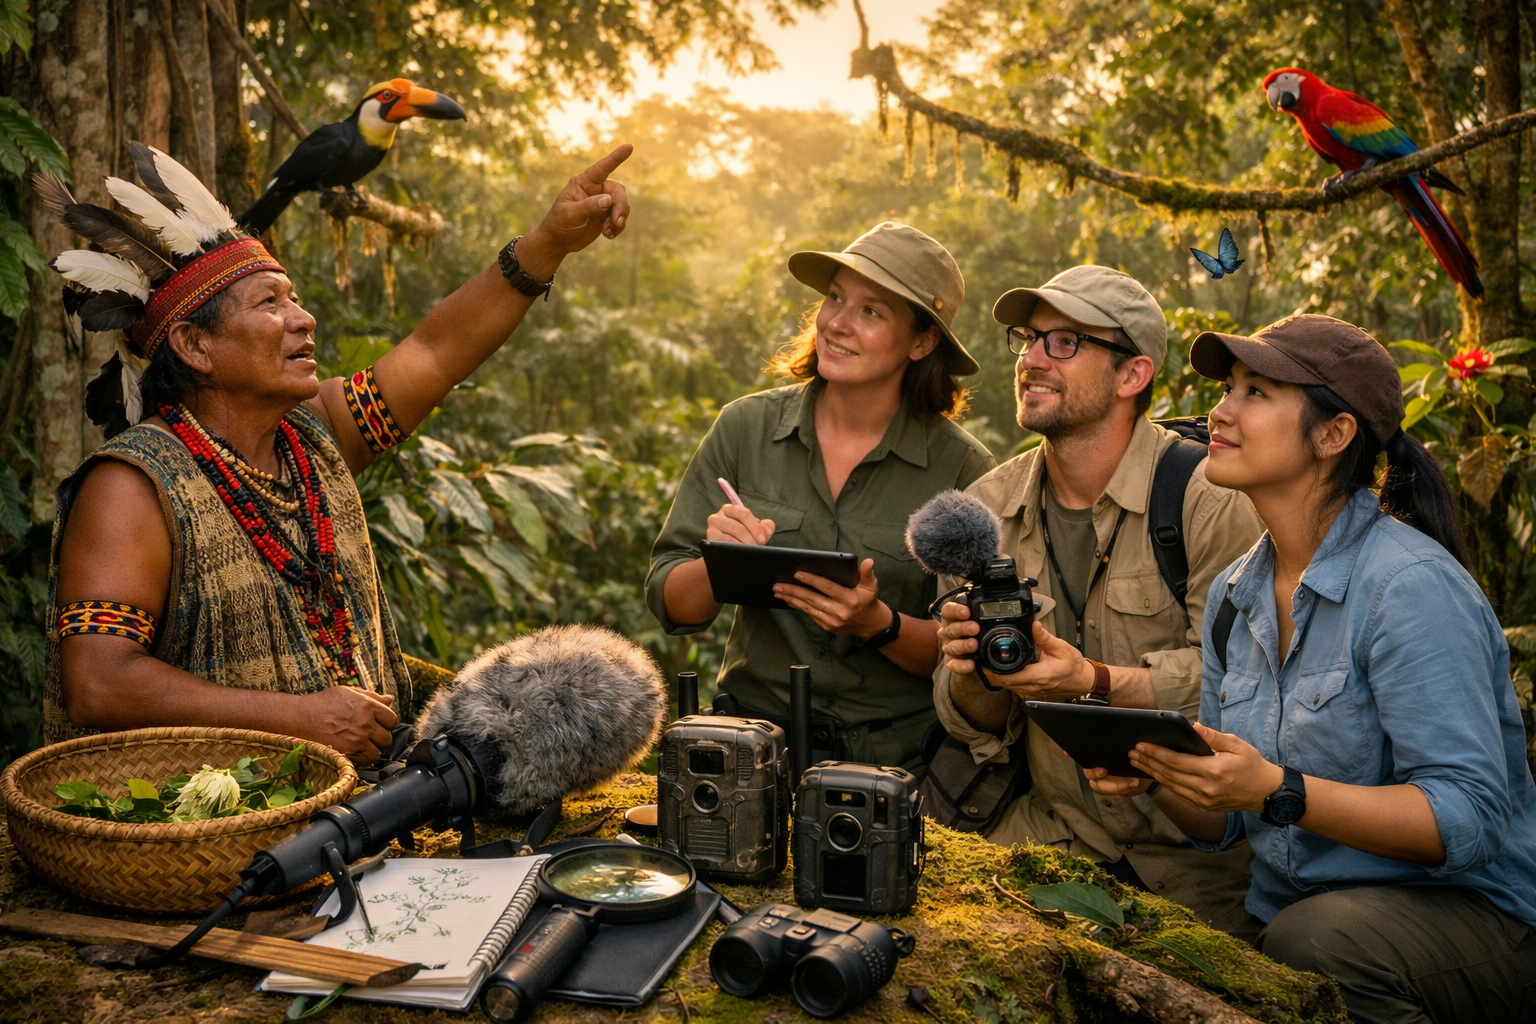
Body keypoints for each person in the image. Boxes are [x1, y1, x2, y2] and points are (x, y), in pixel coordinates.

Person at [43, 143, 632, 765]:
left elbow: (435, 352)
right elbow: (98, 683)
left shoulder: (316, 434)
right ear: (194, 345)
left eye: (293, 297)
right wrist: (301, 720)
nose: (305, 319)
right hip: (212, 834)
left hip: (356, 810)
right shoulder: (132, 486)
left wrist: (549, 241)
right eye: (271, 303)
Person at [1084, 314, 1536, 1023]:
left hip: (1470, 921)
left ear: (1333, 436)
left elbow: (1470, 818)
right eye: (1227, 388)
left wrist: (1277, 788)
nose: (1220, 410)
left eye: (1256, 392)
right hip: (1302, 919)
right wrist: (1164, 776)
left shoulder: (1407, 587)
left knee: (1315, 942)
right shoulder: (1236, 596)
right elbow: (1226, 827)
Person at [934, 266, 1263, 932]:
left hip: (1195, 863)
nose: (1031, 358)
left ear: (1131, 375)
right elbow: (971, 724)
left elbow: (1246, 690)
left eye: (1064, 342)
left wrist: (1096, 683)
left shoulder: (1211, 500)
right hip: (1049, 835)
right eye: (1027, 339)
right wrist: (978, 672)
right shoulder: (981, 514)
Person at [645, 222, 995, 773]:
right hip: (751, 752)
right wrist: (719, 562)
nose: (837, 323)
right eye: (835, 298)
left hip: (899, 767)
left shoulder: (964, 469)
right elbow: (669, 601)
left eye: (871, 312)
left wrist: (879, 624)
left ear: (922, 341)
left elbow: (973, 650)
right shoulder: (746, 428)